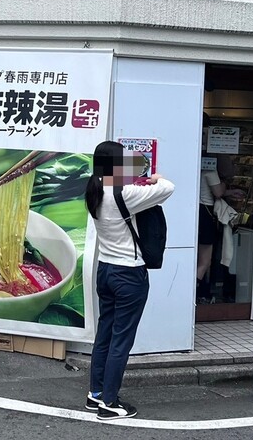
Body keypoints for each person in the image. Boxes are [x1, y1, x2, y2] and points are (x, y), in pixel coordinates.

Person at [85, 141, 175, 420]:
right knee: (121, 340)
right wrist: (156, 178)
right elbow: (168, 188)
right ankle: (110, 403)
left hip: (105, 270)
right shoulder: (125, 193)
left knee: (105, 334)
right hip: (129, 275)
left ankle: (95, 393)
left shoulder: (94, 188)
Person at [197, 163, 225, 303]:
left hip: (198, 211)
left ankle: (199, 291)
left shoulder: (197, 168)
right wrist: (224, 184)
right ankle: (196, 292)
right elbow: (218, 192)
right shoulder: (210, 169)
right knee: (205, 261)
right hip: (206, 214)